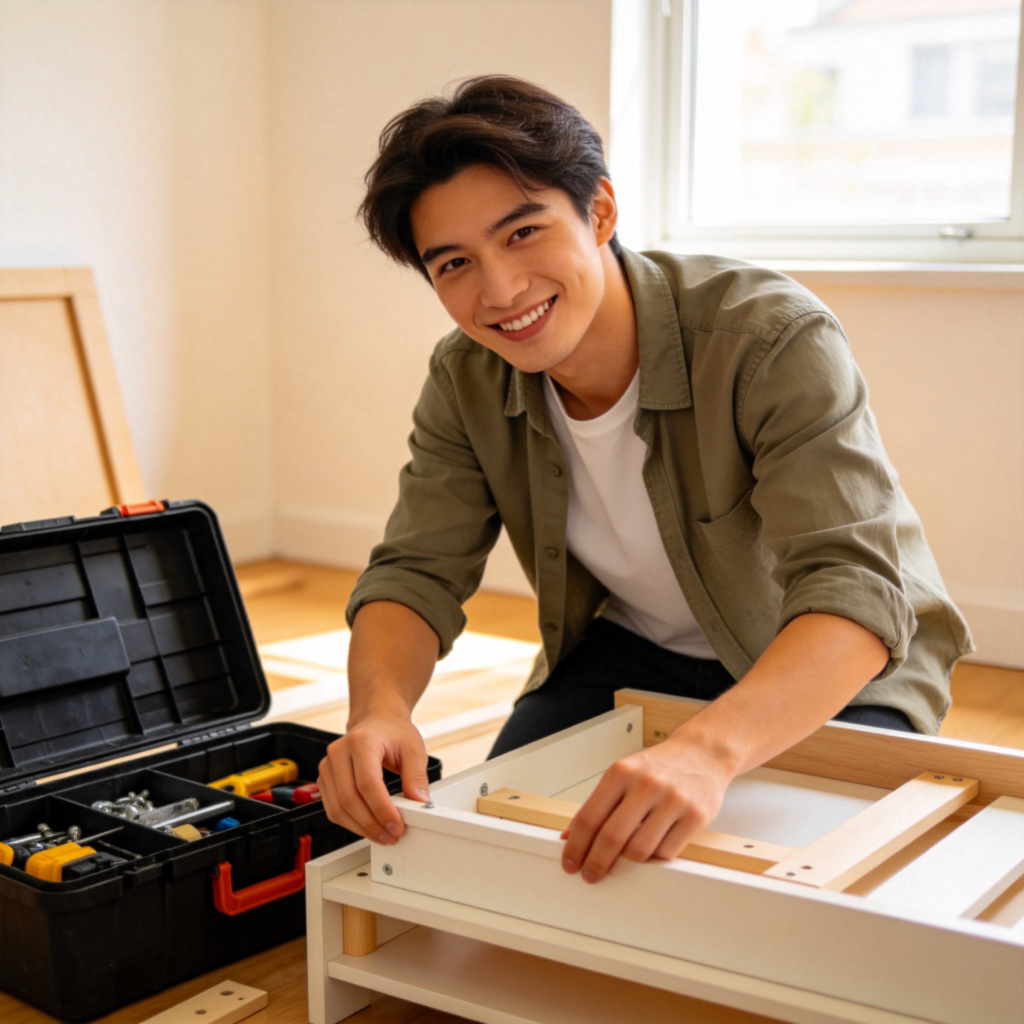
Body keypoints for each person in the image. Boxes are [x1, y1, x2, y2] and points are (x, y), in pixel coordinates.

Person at [317, 74, 972, 884]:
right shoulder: (466, 377)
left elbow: (855, 591)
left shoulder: (769, 337)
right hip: (625, 654)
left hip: (820, 659)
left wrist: (706, 750)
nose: (500, 291)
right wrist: (378, 710)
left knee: (792, 905)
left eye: (522, 233)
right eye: (455, 263)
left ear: (600, 211)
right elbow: (416, 571)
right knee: (507, 875)